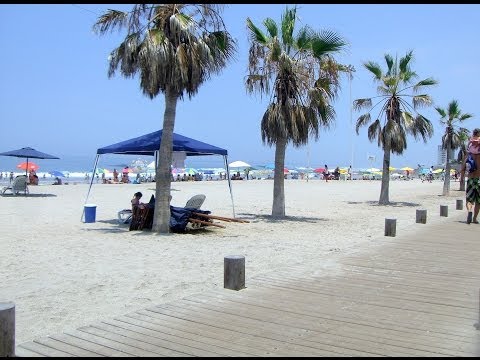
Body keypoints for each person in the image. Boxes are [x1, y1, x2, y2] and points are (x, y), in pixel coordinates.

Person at [460, 148, 480, 224]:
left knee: (469, 199)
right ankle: (474, 218)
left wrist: (461, 179)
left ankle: (469, 211)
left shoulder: (468, 155)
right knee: (478, 201)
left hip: (471, 179)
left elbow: (463, 169)